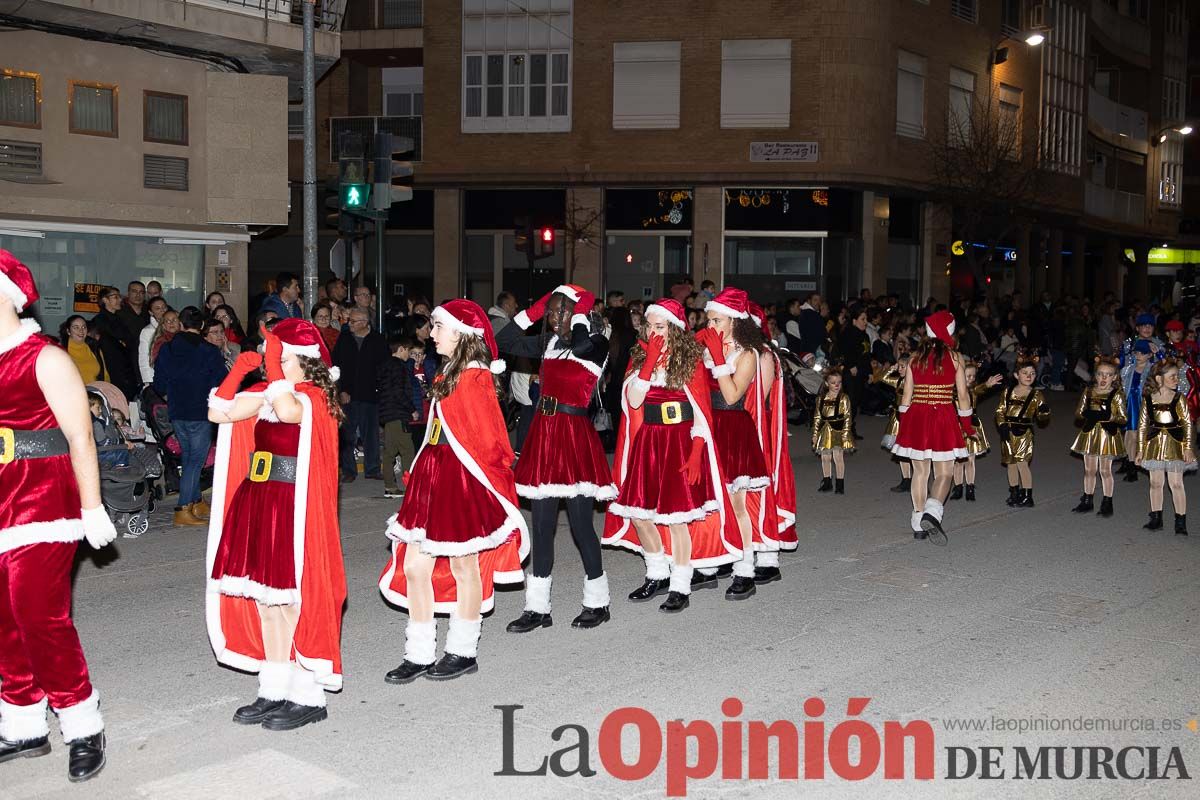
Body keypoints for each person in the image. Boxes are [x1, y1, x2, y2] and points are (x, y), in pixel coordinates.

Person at [0, 250, 116, 782]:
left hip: (43, 502)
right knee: (4, 622)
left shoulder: (42, 358)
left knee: (40, 618)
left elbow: (79, 435)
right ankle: (23, 724)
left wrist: (91, 507)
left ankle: (82, 723)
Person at [377, 300, 529, 682]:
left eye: (439, 327)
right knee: (414, 566)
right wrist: (419, 469)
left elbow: (492, 441)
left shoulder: (474, 377)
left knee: (464, 565)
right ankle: (420, 652)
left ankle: (462, 649)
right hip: (433, 473)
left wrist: (495, 483)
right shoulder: (450, 372)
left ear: (461, 333)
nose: (432, 334)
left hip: (461, 478)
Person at [205, 319, 346, 729]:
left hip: (293, 504)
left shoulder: (315, 397)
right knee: (268, 601)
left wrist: (272, 367)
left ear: (301, 358)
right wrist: (238, 370)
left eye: (279, 354)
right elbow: (220, 413)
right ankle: (273, 687)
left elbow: (287, 412)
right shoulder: (272, 391)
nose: (273, 361)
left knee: (292, 600)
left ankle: (308, 696)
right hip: (260, 498)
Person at [603, 298, 741, 613]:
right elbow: (634, 403)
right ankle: (657, 573)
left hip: (680, 442)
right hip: (649, 442)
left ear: (674, 328)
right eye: (649, 325)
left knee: (677, 520)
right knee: (639, 515)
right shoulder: (640, 356)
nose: (653, 331)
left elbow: (702, 413)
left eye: (660, 326)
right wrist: (649, 364)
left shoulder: (689, 360)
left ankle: (680, 584)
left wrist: (696, 453)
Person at [495, 285, 616, 632]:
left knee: (580, 526)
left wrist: (576, 314)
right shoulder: (547, 342)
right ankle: (538, 608)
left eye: (562, 311)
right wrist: (533, 312)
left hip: (575, 437)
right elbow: (504, 342)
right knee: (542, 527)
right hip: (545, 436)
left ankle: (598, 601)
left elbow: (579, 344)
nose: (555, 317)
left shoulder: (595, 343)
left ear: (579, 313)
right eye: (553, 311)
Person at [696, 288, 775, 599]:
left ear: (734, 320)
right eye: (709, 319)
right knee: (707, 500)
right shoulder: (706, 347)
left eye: (717, 319)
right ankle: (708, 564)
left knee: (736, 503)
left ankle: (745, 570)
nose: (711, 324)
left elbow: (731, 395)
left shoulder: (747, 354)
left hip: (732, 426)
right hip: (707, 426)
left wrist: (717, 357)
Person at [891, 310, 974, 541]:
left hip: (917, 416)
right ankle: (932, 510)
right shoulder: (956, 357)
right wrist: (967, 425)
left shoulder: (914, 358)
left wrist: (905, 425)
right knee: (945, 473)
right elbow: (963, 395)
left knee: (920, 471)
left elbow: (905, 397)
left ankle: (918, 523)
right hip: (943, 416)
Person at [153, 307, 227, 526]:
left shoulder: (167, 349)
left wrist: (171, 396)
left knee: (188, 456)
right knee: (196, 459)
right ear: (202, 326)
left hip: (176, 410)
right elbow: (221, 381)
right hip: (200, 411)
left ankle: (195, 499)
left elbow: (159, 382)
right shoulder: (209, 351)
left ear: (182, 324)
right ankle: (183, 508)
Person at [745, 301, 797, 579]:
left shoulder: (764, 355)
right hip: (739, 425)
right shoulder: (745, 352)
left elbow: (758, 396)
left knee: (763, 487)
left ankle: (768, 557)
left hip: (758, 427)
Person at [1135, 358, 1195, 535]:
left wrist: (1188, 447)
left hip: (1175, 444)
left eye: (1177, 376)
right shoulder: (1148, 399)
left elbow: (1187, 424)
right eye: (1173, 376)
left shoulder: (1179, 398)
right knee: (1155, 482)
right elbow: (1142, 426)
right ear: (1159, 379)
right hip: (1154, 444)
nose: (1177, 379)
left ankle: (1180, 521)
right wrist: (1140, 449)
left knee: (1176, 483)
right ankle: (1156, 518)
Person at [333, 307, 389, 482]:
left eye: (353, 321)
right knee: (347, 434)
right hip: (348, 395)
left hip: (371, 395)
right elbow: (337, 367)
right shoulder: (344, 339)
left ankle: (372, 469)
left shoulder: (378, 341)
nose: (349, 324)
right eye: (349, 320)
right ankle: (349, 471)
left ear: (365, 323)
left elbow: (385, 368)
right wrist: (341, 390)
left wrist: (380, 390)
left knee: (371, 434)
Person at [1070, 356, 1127, 517]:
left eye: (1108, 375)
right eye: (1100, 374)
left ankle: (1107, 502)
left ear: (1114, 377)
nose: (1104, 378)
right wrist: (1087, 414)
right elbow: (1078, 413)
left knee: (1105, 470)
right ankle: (1087, 500)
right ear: (1095, 375)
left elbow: (1123, 418)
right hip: (1090, 433)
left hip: (1107, 435)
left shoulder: (1116, 394)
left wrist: (1110, 418)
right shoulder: (1089, 391)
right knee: (1089, 470)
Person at [995, 353, 1052, 508]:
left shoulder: (1036, 395)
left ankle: (1028, 495)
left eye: (1032, 373)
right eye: (1025, 373)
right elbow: (1000, 411)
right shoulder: (1008, 392)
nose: (1029, 376)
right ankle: (1014, 492)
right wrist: (1002, 425)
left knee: (1022, 463)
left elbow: (1041, 417)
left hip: (1024, 433)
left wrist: (1044, 411)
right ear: (1016, 375)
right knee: (1010, 463)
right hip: (1008, 432)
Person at [952, 361, 1003, 501]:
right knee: (958, 460)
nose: (970, 379)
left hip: (972, 426)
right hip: (956, 427)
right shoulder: (952, 392)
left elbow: (979, 388)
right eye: (967, 376)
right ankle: (957, 488)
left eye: (973, 376)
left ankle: (970, 487)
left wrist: (987, 384)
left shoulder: (973, 391)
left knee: (970, 459)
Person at [377, 335, 419, 499]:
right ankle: (410, 486)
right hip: (398, 413)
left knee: (389, 452)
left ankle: (390, 486)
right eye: (408, 350)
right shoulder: (399, 367)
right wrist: (412, 409)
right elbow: (399, 392)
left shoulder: (384, 366)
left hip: (387, 413)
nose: (409, 354)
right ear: (401, 349)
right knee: (407, 450)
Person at [91, 287, 139, 399]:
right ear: (105, 300)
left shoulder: (120, 319)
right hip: (112, 368)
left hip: (126, 368)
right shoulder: (99, 321)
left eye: (119, 297)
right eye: (115, 297)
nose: (119, 300)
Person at [812, 367, 854, 493]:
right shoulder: (821, 398)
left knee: (838, 457)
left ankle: (840, 484)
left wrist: (845, 434)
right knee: (825, 457)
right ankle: (827, 482)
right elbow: (817, 417)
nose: (837, 385)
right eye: (833, 382)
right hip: (825, 431)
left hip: (838, 430)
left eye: (839, 382)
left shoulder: (844, 398)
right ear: (826, 383)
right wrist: (815, 434)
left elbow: (847, 417)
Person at [1120, 340, 1155, 482]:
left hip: (1145, 405)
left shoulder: (1153, 369)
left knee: (1141, 435)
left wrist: (1158, 353)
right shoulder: (1127, 370)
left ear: (1149, 355)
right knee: (1129, 435)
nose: (1139, 355)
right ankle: (1131, 465)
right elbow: (1121, 388)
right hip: (1130, 404)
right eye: (1137, 352)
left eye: (1143, 352)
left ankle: (1140, 463)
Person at [876, 356, 911, 492]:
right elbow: (882, 378)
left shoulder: (916, 382)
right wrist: (892, 368)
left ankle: (919, 479)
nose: (900, 369)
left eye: (903, 367)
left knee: (913, 451)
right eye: (900, 366)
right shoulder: (898, 381)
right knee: (900, 450)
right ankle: (906, 479)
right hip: (898, 418)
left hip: (911, 418)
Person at [60, 315, 106, 384]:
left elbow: (105, 374)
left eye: (84, 327)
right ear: (68, 331)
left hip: (93, 392)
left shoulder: (94, 346)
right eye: (76, 327)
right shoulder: (61, 350)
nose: (81, 330)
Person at [137, 296, 171, 384]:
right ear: (151, 312)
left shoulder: (174, 327)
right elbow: (144, 358)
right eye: (157, 308)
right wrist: (148, 381)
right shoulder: (147, 331)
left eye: (164, 307)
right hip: (155, 377)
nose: (162, 311)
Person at [117, 281, 150, 346]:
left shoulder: (150, 311)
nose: (138, 295)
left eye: (141, 292)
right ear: (128, 293)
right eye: (134, 291)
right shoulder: (119, 311)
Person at [148, 310, 181, 374]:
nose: (171, 323)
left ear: (180, 323)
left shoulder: (184, 338)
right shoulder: (161, 341)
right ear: (163, 325)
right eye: (167, 321)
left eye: (174, 320)